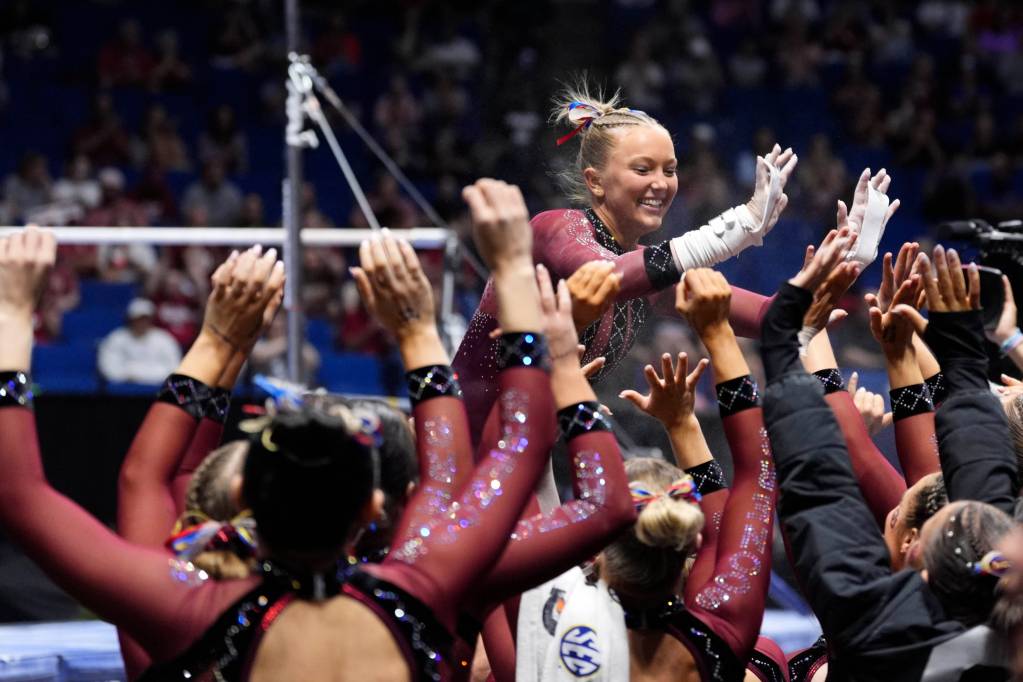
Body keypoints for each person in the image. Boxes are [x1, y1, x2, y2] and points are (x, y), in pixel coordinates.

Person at [0, 181, 559, 679]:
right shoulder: (419, 594)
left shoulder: (188, 611)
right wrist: (486, 287)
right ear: (372, 506)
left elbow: (51, 491)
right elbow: (512, 456)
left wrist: (11, 313)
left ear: (245, 503)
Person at [452, 83, 801, 443]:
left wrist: (836, 266)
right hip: (463, 438)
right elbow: (605, 276)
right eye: (643, 169)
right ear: (596, 181)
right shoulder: (555, 228)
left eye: (670, 170)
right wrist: (738, 226)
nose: (661, 184)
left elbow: (771, 319)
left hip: (526, 448)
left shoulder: (643, 275)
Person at [760, 233, 1018, 680]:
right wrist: (906, 346)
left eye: (895, 514)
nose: (1009, 383)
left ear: (912, 544)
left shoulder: (871, 628)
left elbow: (830, 489)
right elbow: (970, 445)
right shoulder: (994, 552)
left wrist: (799, 335)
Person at [516, 268, 781, 682]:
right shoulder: (719, 637)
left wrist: (558, 372)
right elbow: (759, 476)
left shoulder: (541, 626)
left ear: (595, 547)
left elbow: (511, 495)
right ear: (690, 539)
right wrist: (717, 334)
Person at [98, 298, 182, 385]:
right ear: (131, 319)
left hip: (157, 389)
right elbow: (108, 367)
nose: (142, 322)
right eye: (138, 319)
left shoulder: (164, 339)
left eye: (145, 319)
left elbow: (174, 367)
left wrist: (142, 377)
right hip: (124, 389)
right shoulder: (116, 338)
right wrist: (126, 376)